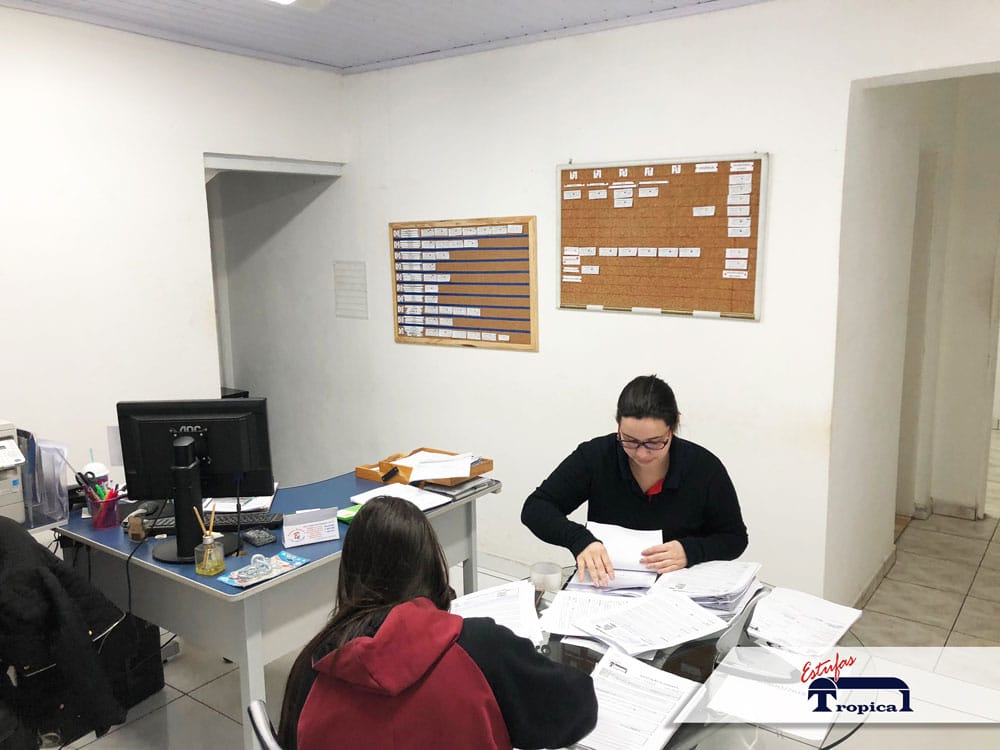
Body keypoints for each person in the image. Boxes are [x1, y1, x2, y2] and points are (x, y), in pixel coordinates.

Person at [277, 495, 597, 750]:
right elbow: (574, 711)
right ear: (431, 567)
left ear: (349, 573)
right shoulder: (482, 647)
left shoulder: (312, 666)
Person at [521, 374, 748, 587]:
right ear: (618, 426)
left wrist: (690, 551)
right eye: (629, 440)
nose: (641, 453)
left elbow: (734, 538)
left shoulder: (704, 468)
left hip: (677, 589)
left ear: (673, 426)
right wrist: (580, 540)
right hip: (607, 586)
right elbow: (536, 508)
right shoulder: (596, 456)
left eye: (654, 442)